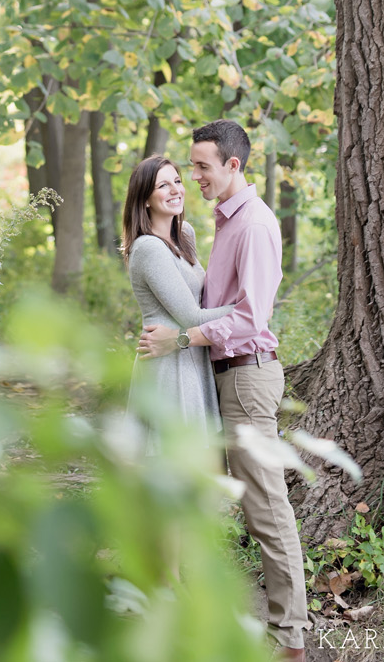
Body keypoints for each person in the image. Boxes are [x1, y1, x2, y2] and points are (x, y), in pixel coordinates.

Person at [137, 120, 308, 661]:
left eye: (201, 167)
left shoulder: (253, 225)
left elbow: (253, 316)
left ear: (233, 165)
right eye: (189, 167)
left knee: (264, 505)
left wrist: (183, 336)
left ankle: (288, 638)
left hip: (248, 375)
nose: (194, 177)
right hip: (217, 379)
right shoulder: (216, 224)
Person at [123, 155, 235, 445]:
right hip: (168, 364)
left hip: (192, 355)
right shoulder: (148, 247)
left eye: (177, 181)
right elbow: (192, 316)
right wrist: (247, 311)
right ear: (145, 199)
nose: (175, 190)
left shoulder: (184, 234)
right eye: (163, 185)